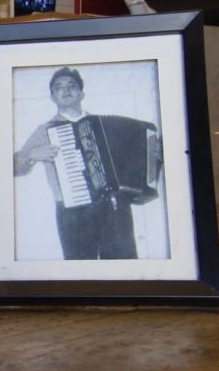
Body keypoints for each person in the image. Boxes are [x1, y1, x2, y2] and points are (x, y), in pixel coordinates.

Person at [14, 67, 143, 260]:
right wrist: (32, 154)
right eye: (58, 87)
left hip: (114, 208)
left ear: (82, 94)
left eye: (71, 86)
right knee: (80, 270)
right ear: (52, 97)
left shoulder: (102, 125)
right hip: (72, 213)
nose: (65, 90)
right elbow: (14, 167)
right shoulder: (45, 130)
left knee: (123, 266)